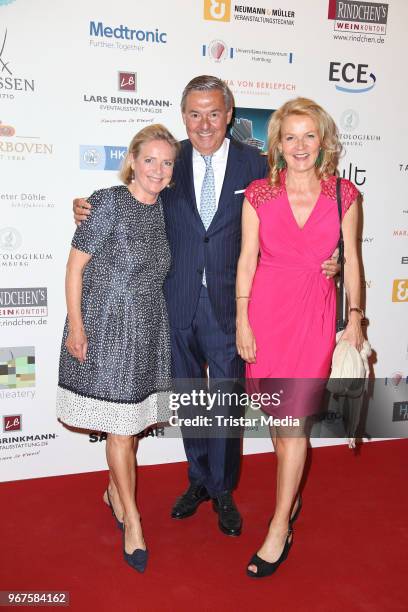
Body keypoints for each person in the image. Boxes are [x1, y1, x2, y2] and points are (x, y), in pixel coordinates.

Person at [74, 76, 339, 538]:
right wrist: (88, 208)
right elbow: (135, 196)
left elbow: (298, 210)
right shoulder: (168, 160)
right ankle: (197, 479)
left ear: (229, 114)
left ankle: (222, 489)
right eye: (195, 113)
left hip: (231, 306)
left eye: (214, 112)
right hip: (174, 303)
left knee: (226, 404)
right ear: (184, 117)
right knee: (193, 399)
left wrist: (328, 257)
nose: (204, 123)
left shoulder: (257, 165)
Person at [236, 97, 364, 577]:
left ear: (324, 140)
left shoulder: (343, 195)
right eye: (290, 136)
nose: (300, 145)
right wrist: (242, 321)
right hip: (267, 316)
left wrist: (355, 317)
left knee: (293, 426)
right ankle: (289, 499)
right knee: (279, 420)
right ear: (277, 144)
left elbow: (351, 260)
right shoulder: (258, 194)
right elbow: (247, 260)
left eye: (309, 135)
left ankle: (278, 525)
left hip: (314, 315)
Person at [57, 124, 179, 572]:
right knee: (121, 430)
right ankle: (133, 521)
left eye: (167, 163)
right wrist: (76, 325)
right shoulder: (107, 202)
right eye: (150, 160)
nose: (158, 170)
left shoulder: (165, 208)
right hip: (107, 326)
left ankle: (114, 491)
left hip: (148, 327)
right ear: (133, 158)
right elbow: (74, 269)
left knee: (127, 424)